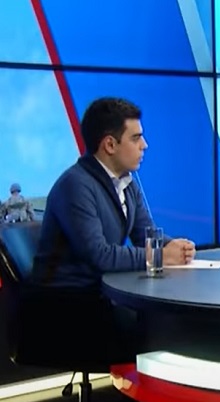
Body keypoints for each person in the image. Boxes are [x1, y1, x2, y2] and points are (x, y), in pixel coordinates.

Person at [27, 97, 196, 364]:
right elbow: (100, 256)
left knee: (174, 320)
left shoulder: (127, 183)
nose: (144, 145)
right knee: (167, 329)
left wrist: (175, 248)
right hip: (69, 305)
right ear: (109, 144)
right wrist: (160, 256)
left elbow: (145, 234)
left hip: (100, 296)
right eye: (136, 138)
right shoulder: (75, 185)